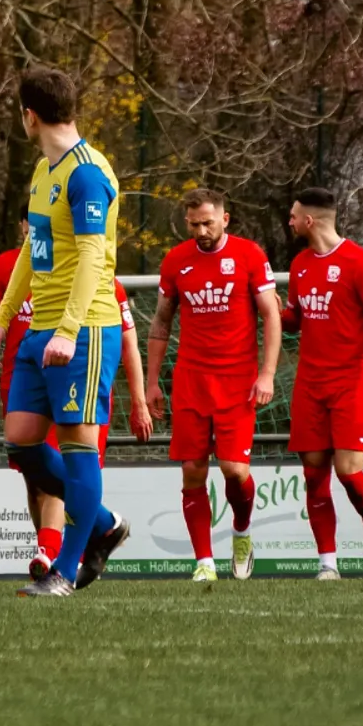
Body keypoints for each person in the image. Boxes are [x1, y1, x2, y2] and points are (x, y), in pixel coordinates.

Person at [0, 66, 131, 597]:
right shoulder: (45, 170)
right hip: (38, 330)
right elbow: (32, 249)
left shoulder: (88, 173)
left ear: (30, 115)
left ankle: (65, 573)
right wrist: (2, 320)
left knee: (76, 446)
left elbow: (94, 256)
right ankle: (104, 523)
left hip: (84, 329)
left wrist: (68, 330)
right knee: (21, 444)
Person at [0, 211, 151, 581]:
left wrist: (139, 400)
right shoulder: (11, 265)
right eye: (28, 223)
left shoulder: (93, 268)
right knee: (28, 463)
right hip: (28, 367)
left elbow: (130, 342)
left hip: (75, 362)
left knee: (70, 457)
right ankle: (100, 528)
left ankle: (57, 560)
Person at [147, 188, 281, 583]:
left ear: (225, 218)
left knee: (234, 470)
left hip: (238, 380)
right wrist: (152, 382)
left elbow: (271, 316)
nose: (201, 230)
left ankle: (241, 531)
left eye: (208, 222)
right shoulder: (176, 261)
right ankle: (204, 562)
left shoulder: (250, 255)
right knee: (192, 469)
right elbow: (160, 322)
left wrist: (267, 373)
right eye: (194, 224)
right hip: (190, 378)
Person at [283, 188, 363, 580]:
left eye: (294, 215)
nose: (290, 220)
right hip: (310, 382)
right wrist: (262, 307)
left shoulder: (360, 263)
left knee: (348, 470)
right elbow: (295, 320)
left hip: (352, 379)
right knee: (314, 472)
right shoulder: (299, 264)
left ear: (309, 221)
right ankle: (327, 563)